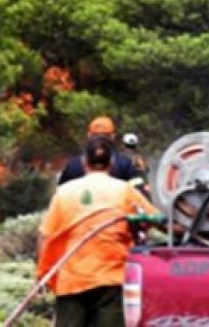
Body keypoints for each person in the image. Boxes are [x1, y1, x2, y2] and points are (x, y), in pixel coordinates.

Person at [38, 135, 158, 327]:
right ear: (111, 162)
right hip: (109, 280)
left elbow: (46, 235)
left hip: (71, 280)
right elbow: (154, 219)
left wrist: (42, 274)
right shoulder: (125, 191)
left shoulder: (64, 192)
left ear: (85, 161)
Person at [57, 117, 144, 192]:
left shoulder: (73, 165)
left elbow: (60, 195)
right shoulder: (125, 164)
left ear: (89, 136)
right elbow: (140, 195)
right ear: (112, 136)